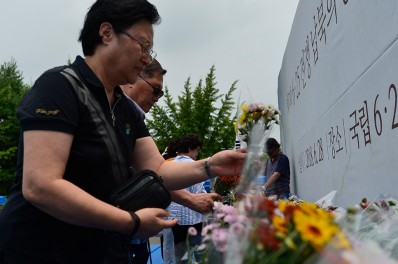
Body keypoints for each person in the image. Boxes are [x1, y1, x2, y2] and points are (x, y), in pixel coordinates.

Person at [0, 1, 246, 263]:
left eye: (151, 50)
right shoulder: (60, 86)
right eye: (143, 45)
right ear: (106, 34)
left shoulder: (123, 108)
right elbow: (40, 185)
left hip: (99, 250)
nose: (147, 58)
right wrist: (130, 221)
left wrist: (211, 165)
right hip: (40, 251)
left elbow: (158, 171)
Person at [120, 60, 220, 264]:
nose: (157, 98)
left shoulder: (133, 118)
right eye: (155, 90)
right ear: (133, 77)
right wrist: (209, 168)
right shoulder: (113, 111)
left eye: (161, 93)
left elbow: (155, 172)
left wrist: (211, 166)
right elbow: (154, 173)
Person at [167, 134, 208, 263]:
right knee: (198, 254)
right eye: (196, 150)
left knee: (180, 256)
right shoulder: (194, 166)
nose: (197, 154)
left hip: (173, 219)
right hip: (192, 218)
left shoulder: (169, 165)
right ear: (190, 148)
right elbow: (200, 193)